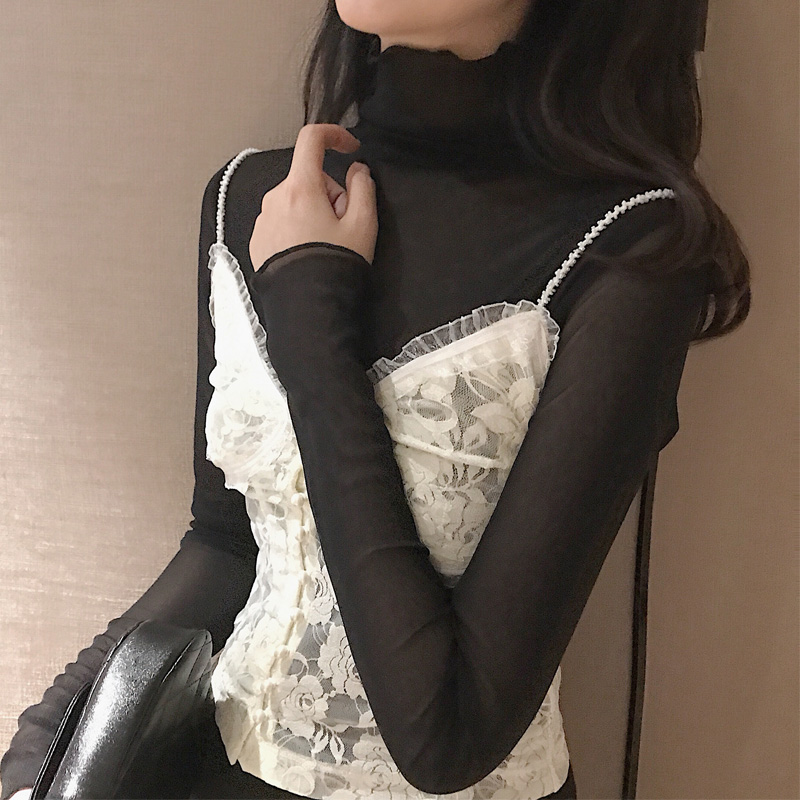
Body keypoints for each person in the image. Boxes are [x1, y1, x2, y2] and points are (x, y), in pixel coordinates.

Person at [0, 0, 751, 798]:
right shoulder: (255, 197)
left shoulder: (633, 248)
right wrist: (43, 740)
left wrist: (312, 325)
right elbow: (225, 544)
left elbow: (448, 737)